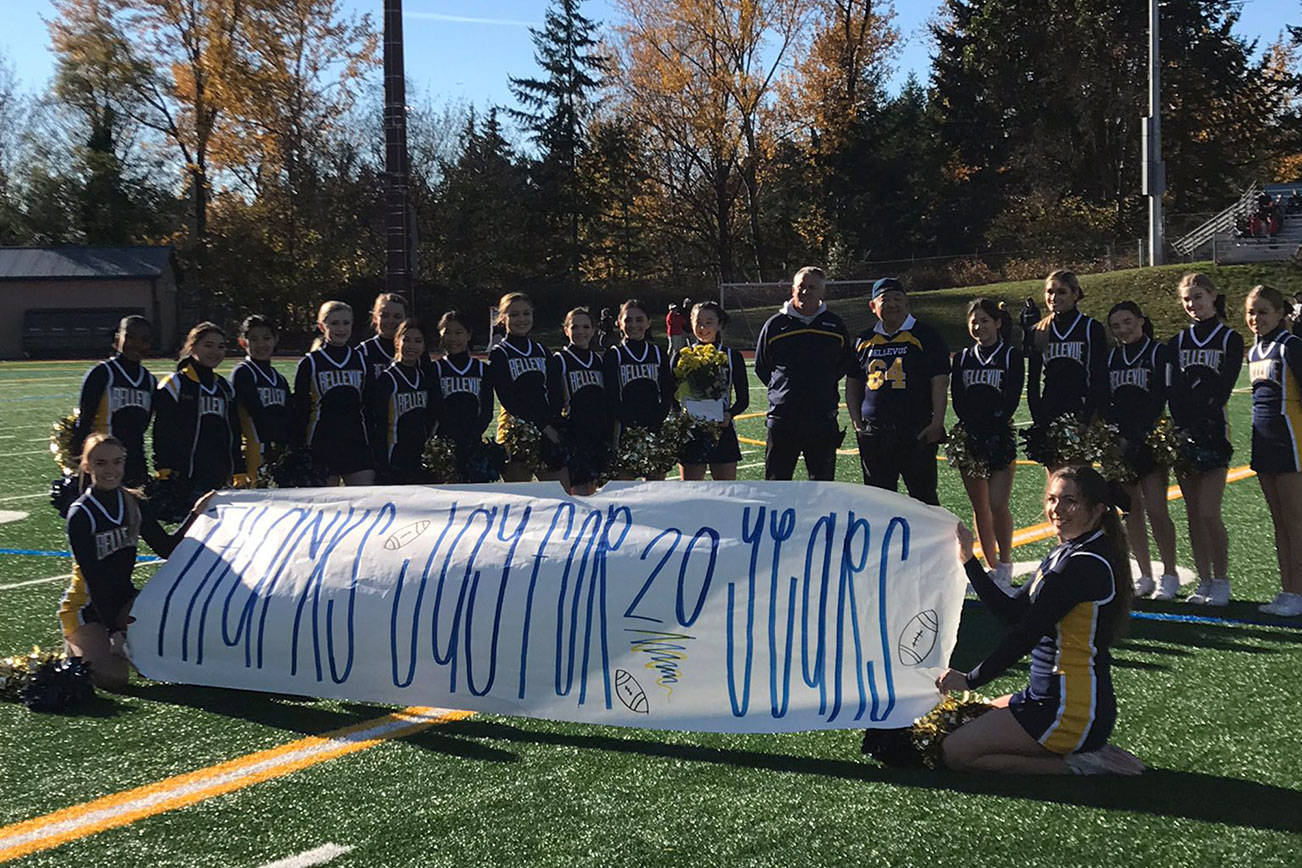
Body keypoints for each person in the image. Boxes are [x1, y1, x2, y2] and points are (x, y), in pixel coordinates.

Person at [936, 466, 1141, 775]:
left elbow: (1025, 634)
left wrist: (971, 679)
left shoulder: (1084, 564)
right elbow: (1010, 612)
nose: (1056, 509)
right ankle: (1085, 748)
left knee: (954, 752)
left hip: (1069, 710)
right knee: (965, 719)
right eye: (1052, 499)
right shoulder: (1068, 552)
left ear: (1097, 510)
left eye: (1070, 501)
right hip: (1049, 697)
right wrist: (969, 560)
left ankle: (1079, 763)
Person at [58, 434, 215, 687]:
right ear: (86, 466)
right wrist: (113, 633)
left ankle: (107, 641)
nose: (111, 470)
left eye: (117, 462)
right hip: (86, 606)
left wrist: (195, 514)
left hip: (124, 599)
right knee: (114, 678)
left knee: (168, 656)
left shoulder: (133, 503)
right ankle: (79, 644)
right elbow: (95, 580)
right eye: (101, 463)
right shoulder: (81, 513)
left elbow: (166, 548)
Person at [1168, 273, 1243, 606]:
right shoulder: (1178, 342)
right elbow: (1174, 392)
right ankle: (1205, 579)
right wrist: (1182, 428)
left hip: (1213, 432)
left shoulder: (1230, 339)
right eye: (1187, 299)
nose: (1192, 304)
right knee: (1193, 514)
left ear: (1213, 296)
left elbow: (1222, 389)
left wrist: (1198, 424)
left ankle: (1223, 580)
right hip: (1183, 435)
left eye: (1198, 296)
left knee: (1210, 511)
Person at [845, 278, 949, 505]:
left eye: (897, 298)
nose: (892, 304)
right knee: (879, 502)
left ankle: (930, 542)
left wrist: (937, 422)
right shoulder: (863, 339)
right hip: (875, 433)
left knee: (924, 500)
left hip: (915, 431)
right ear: (873, 306)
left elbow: (939, 381)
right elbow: (852, 382)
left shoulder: (926, 335)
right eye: (885, 299)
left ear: (907, 302)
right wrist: (856, 421)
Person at [1104, 302, 1179, 600]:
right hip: (1122, 442)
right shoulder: (1112, 358)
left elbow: (1162, 394)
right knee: (1130, 511)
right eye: (1117, 326)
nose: (1123, 329)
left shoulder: (1157, 352)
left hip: (1149, 440)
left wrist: (1144, 434)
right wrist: (1116, 435)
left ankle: (1170, 573)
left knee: (1158, 509)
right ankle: (1145, 575)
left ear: (1141, 320)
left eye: (1128, 322)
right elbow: (1106, 399)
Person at [754, 266, 854, 481]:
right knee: (776, 485)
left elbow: (844, 362)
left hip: (822, 418)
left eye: (812, 287)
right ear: (792, 290)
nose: (806, 292)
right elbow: (762, 367)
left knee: (822, 485)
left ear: (822, 292)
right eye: (801, 287)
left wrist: (821, 385)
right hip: (783, 419)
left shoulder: (834, 325)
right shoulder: (774, 325)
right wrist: (785, 391)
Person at [950, 298, 1023, 588]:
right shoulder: (964, 358)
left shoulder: (1010, 355)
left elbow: (1012, 397)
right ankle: (991, 566)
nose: (979, 326)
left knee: (997, 504)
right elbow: (958, 397)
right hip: (970, 435)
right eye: (974, 321)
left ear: (998, 323)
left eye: (985, 320)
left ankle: (1005, 563)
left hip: (998, 435)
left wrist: (993, 423)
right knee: (979, 505)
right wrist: (972, 425)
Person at [1245, 285, 1302, 617]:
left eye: (1263, 312)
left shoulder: (1291, 346)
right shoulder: (1255, 350)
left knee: (1295, 522)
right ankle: (1287, 589)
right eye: (1251, 312)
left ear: (1281, 314)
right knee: (1279, 522)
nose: (1256, 319)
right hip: (1264, 443)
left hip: (1291, 441)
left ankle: (1298, 591)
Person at [1025, 270, 1108, 470]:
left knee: (1080, 481)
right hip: (1050, 411)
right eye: (1049, 292)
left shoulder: (1091, 328)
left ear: (1075, 294)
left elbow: (1098, 376)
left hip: (1080, 412)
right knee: (1055, 483)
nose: (1054, 297)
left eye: (1061, 292)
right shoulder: (1038, 331)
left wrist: (1086, 418)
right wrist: (1039, 419)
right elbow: (1033, 382)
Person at [289, 300, 374, 486]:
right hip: (322, 444)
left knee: (364, 502)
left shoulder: (361, 360)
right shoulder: (309, 363)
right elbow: (301, 408)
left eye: (346, 323)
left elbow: (370, 404)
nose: (341, 329)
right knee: (328, 507)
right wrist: (300, 448)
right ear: (321, 326)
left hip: (356, 442)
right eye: (334, 323)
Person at [153, 322, 242, 495]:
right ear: (192, 347)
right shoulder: (175, 384)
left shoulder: (225, 388)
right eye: (208, 345)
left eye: (221, 347)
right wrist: (164, 468)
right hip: (184, 475)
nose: (215, 352)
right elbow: (162, 430)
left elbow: (234, 432)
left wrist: (238, 467)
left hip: (219, 474)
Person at [70, 315, 157, 486]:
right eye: (130, 337)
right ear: (118, 339)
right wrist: (78, 461)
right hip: (102, 461)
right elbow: (85, 420)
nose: (137, 344)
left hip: (134, 463)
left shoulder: (150, 381)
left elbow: (143, 426)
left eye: (144, 339)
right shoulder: (102, 373)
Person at [488, 292, 563, 483]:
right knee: (519, 500)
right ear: (503, 319)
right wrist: (543, 426)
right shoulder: (499, 354)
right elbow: (509, 399)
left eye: (526, 313)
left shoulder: (542, 350)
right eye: (514, 314)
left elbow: (556, 391)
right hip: (515, 432)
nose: (521, 319)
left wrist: (551, 422)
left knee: (561, 492)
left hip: (548, 430)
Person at [673, 301, 748, 481]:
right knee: (691, 493)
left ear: (719, 324)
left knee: (726, 493)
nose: (703, 327)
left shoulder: (732, 356)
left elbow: (743, 399)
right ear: (691, 323)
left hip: (722, 431)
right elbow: (670, 393)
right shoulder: (681, 355)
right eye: (698, 322)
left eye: (709, 322)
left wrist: (730, 414)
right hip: (691, 432)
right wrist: (682, 416)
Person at [604, 298, 675, 479]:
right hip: (624, 430)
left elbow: (667, 391)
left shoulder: (658, 353)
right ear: (619, 323)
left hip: (654, 427)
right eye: (628, 320)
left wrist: (657, 421)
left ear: (648, 322)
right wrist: (632, 425)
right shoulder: (614, 354)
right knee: (625, 489)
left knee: (656, 487)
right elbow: (611, 396)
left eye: (639, 319)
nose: (634, 325)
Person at [368, 318, 438, 484]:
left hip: (420, 458)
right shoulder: (387, 379)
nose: (412, 346)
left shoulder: (424, 378)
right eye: (406, 340)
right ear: (397, 342)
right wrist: (382, 462)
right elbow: (378, 424)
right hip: (394, 459)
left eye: (418, 341)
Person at [548, 307, 609, 495]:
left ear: (593, 330)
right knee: (579, 491)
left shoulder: (599, 360)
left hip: (597, 433)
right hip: (574, 435)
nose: (580, 332)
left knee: (599, 491)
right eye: (575, 327)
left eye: (585, 327)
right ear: (566, 330)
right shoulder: (560, 360)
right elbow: (554, 399)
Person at [432, 311, 496, 481]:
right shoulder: (435, 369)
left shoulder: (482, 369)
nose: (453, 338)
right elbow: (435, 409)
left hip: (473, 443)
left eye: (459, 332)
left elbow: (487, 410)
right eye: (447, 332)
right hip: (445, 445)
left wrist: (473, 437)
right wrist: (450, 441)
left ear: (469, 335)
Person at [231, 315, 290, 483]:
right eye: (254, 339)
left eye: (266, 338)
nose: (261, 344)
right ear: (243, 342)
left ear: (275, 340)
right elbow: (254, 413)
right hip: (253, 452)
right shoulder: (243, 372)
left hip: (276, 451)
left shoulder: (279, 379)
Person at [357, 293, 408, 381]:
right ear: (375, 318)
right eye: (384, 315)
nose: (390, 321)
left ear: (405, 319)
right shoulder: (363, 352)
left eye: (397, 317)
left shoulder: (415, 351)